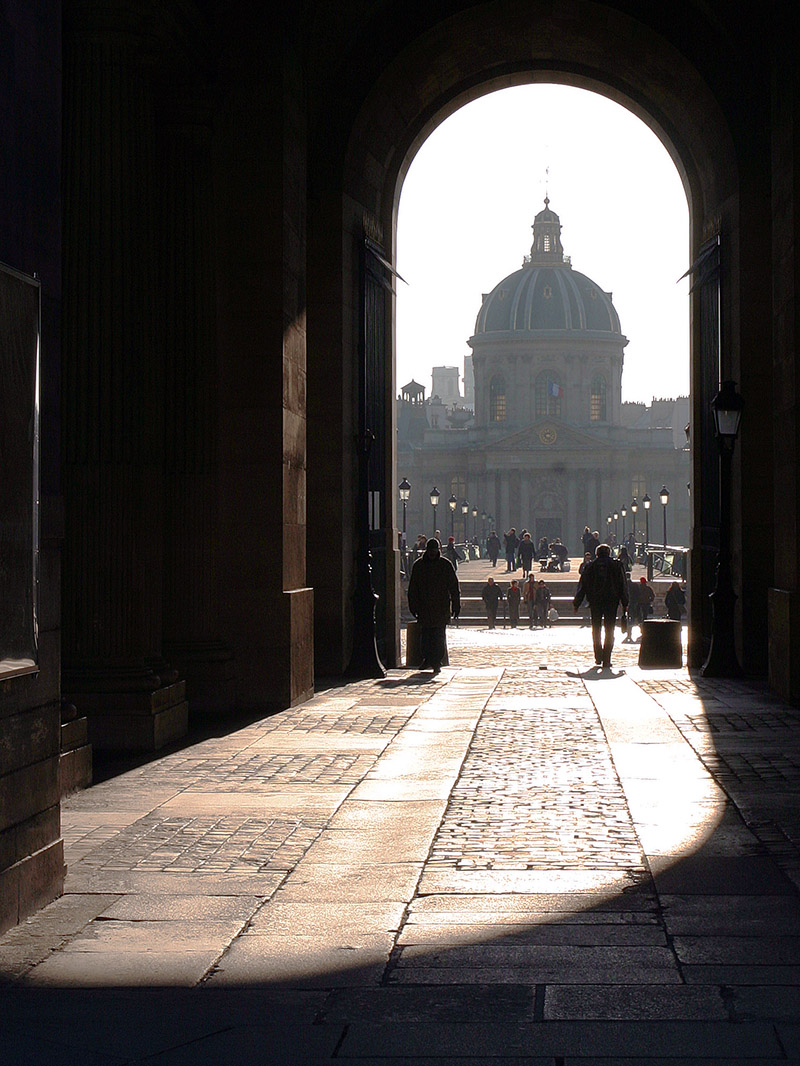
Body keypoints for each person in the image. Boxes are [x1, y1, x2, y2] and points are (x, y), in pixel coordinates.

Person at [407, 538, 460, 674]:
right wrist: (413, 605)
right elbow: (413, 588)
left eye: (434, 550)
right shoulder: (419, 566)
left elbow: (454, 586)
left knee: (438, 636)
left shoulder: (445, 565)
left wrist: (456, 604)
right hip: (425, 607)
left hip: (440, 607)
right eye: (430, 550)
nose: (432, 553)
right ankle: (427, 658)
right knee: (425, 636)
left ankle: (436, 661)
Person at [573, 543, 629, 669]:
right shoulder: (616, 565)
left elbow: (583, 585)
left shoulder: (590, 566)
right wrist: (625, 603)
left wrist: (577, 603)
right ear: (609, 553)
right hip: (611, 601)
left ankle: (598, 656)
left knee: (596, 629)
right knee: (610, 630)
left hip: (595, 601)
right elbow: (622, 585)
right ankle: (607, 659)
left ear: (596, 553)